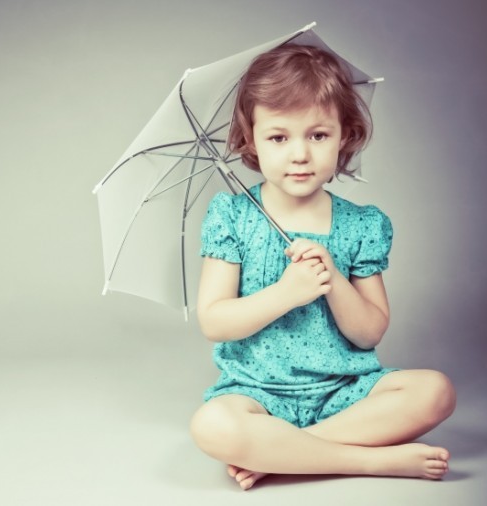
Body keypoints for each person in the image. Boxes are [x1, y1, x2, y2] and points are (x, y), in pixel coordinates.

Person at [189, 44, 456, 491]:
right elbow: (215, 321)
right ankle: (371, 462)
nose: (300, 154)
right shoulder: (232, 217)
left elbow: (369, 333)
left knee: (436, 391)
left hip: (345, 394)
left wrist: (333, 280)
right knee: (213, 425)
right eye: (278, 137)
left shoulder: (360, 225)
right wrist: (286, 293)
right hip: (258, 395)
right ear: (248, 139)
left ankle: (284, 454)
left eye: (318, 136)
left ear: (344, 137)